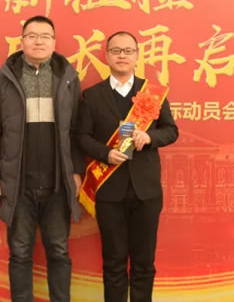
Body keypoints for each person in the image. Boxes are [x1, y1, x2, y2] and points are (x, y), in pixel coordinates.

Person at [0, 15, 83, 302]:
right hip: (17, 184)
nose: (39, 41)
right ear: (22, 41)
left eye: (45, 36)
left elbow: (77, 131)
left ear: (54, 42)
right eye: (32, 36)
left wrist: (76, 171)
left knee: (59, 251)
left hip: (57, 184)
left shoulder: (68, 79)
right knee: (20, 252)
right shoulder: (2, 80)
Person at [76, 31, 178, 302]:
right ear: (107, 55)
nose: (122, 56)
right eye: (116, 50)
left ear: (137, 56)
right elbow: (82, 137)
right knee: (114, 263)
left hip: (146, 192)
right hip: (110, 191)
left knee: (144, 263)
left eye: (128, 51)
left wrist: (150, 137)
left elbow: (171, 131)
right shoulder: (92, 96)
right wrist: (105, 153)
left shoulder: (152, 93)